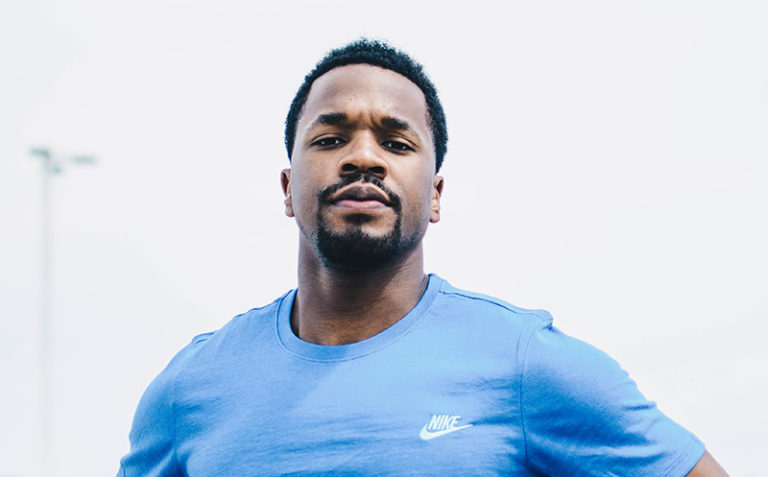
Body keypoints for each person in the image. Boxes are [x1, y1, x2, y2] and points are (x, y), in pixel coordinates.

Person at [117, 39, 728, 476]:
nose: (363, 157)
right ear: (286, 188)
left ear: (434, 195)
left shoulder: (527, 363)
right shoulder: (188, 392)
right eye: (330, 139)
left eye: (396, 142)